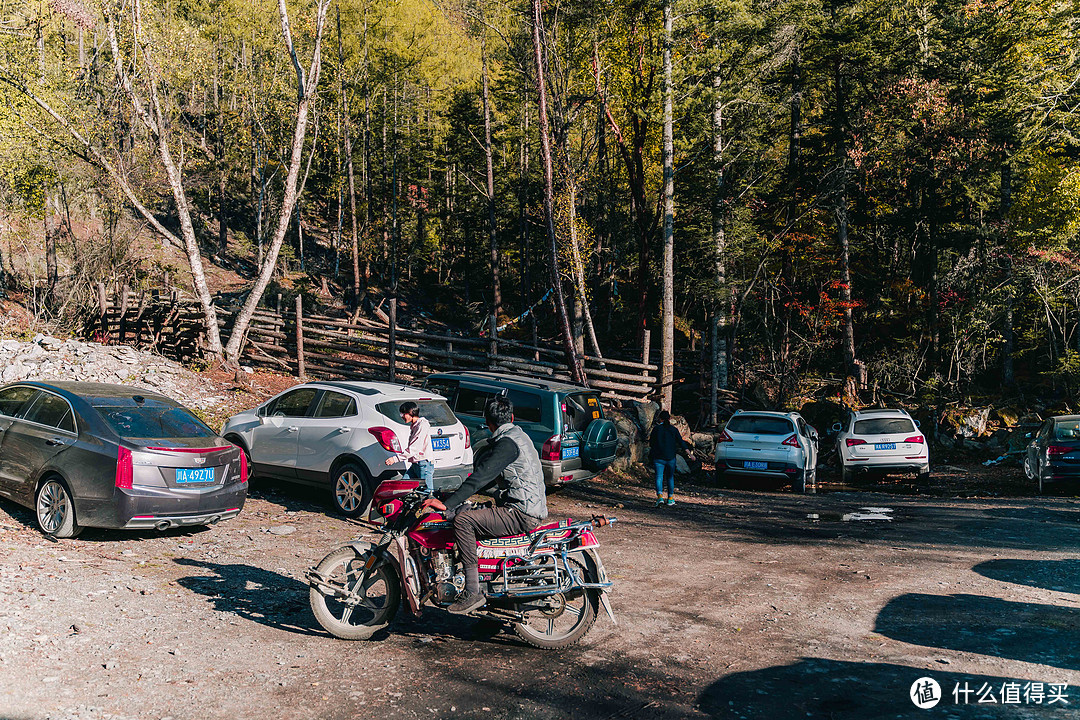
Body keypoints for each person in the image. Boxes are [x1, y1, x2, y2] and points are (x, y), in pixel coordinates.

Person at [419, 395, 547, 615]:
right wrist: (450, 495)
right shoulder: (519, 436)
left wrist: (447, 504)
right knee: (469, 510)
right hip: (526, 506)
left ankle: (472, 591)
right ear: (512, 418)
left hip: (520, 512)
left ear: (488, 423)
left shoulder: (506, 444)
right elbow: (484, 482)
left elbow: (481, 477)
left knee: (463, 520)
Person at [384, 401, 435, 494]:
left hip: (423, 464)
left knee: (427, 493)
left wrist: (395, 459)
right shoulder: (414, 425)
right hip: (416, 464)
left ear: (411, 412)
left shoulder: (422, 425)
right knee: (403, 487)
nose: (402, 416)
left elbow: (414, 448)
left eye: (403, 413)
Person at [650, 410, 689, 506]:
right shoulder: (673, 430)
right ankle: (670, 499)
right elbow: (681, 442)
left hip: (658, 457)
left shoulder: (656, 429)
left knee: (659, 477)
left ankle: (660, 497)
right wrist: (689, 453)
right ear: (670, 419)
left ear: (660, 419)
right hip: (671, 457)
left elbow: (651, 443)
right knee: (670, 477)